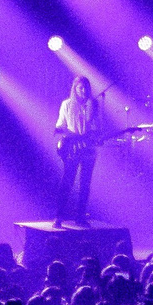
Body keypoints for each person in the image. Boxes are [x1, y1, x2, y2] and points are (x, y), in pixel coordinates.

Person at [54, 75, 104, 225]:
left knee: (85, 183)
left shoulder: (93, 105)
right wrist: (72, 137)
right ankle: (59, 215)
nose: (83, 91)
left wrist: (95, 135)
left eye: (86, 88)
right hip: (72, 148)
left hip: (88, 149)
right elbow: (60, 126)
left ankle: (80, 216)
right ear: (75, 89)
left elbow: (98, 128)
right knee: (68, 181)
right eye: (80, 88)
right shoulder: (67, 104)